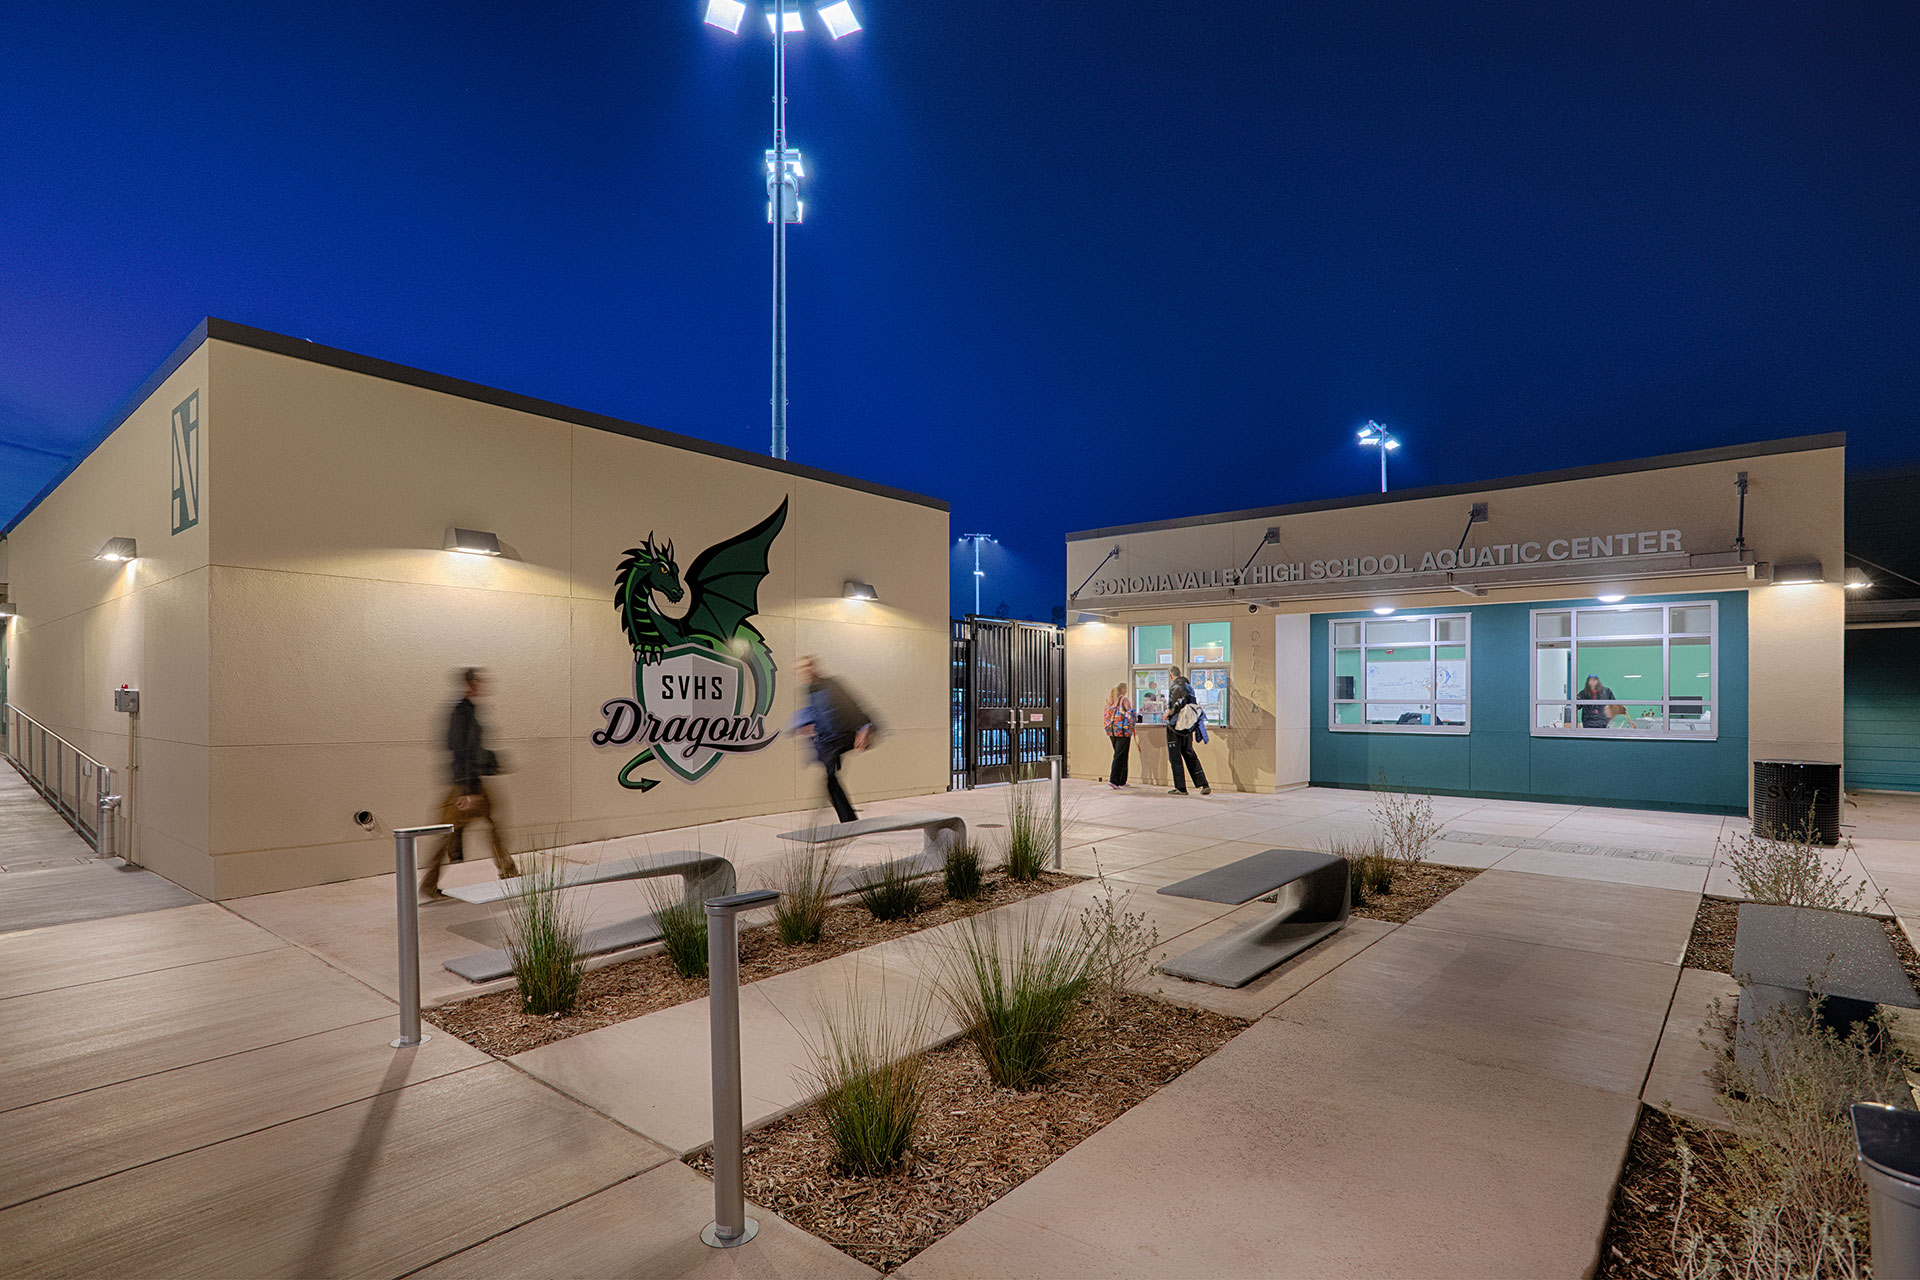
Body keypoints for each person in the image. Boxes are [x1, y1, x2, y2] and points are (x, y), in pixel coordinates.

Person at [420, 667, 513, 901]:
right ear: (469, 684)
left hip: (472, 782)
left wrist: (491, 763)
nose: (483, 685)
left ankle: (510, 873)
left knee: (493, 826)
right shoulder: (461, 712)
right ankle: (429, 885)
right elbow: (460, 750)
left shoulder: (470, 710)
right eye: (479, 682)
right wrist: (467, 789)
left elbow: (473, 750)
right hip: (466, 785)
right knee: (446, 832)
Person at [790, 655, 876, 823]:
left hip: (843, 735)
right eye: (800, 670)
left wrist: (864, 729)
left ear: (813, 668)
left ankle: (848, 819)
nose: (804, 673)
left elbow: (853, 705)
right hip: (827, 741)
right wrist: (806, 725)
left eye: (806, 668)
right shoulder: (809, 690)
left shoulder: (832, 684)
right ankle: (848, 818)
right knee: (830, 778)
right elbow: (815, 711)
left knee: (830, 778)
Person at [1164, 665, 1212, 796]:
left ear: (1170, 676)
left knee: (1175, 757)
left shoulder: (1177, 685)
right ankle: (1203, 783)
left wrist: (1169, 712)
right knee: (1189, 754)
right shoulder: (1189, 686)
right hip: (1188, 726)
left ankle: (1181, 787)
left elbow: (1176, 701)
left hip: (1175, 726)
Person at [1103, 683, 1135, 788]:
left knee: (1121, 754)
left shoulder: (1109, 701)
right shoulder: (1124, 699)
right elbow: (1130, 713)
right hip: (1122, 731)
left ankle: (1122, 780)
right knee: (1119, 755)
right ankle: (1114, 780)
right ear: (1124, 690)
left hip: (1111, 731)